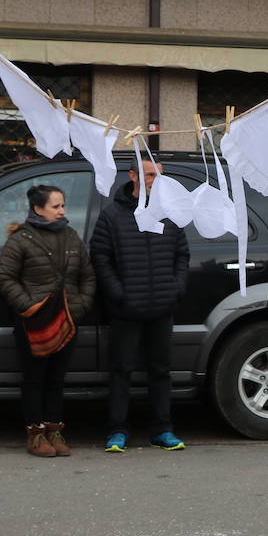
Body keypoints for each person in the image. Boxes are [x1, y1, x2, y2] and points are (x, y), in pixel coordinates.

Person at [91, 157, 189, 453]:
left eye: (159, 175)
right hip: (126, 309)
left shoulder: (169, 213)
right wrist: (117, 292)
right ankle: (117, 431)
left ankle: (163, 430)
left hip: (161, 307)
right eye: (149, 174)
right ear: (133, 176)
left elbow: (182, 255)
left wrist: (176, 288)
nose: (155, 180)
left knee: (160, 371)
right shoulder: (112, 215)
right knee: (121, 371)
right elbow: (100, 257)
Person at [0, 184, 96, 457]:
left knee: (56, 379)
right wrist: (30, 307)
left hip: (66, 320)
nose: (62, 210)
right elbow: (5, 278)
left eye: (63, 205)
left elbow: (87, 276)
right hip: (34, 321)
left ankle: (54, 430)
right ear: (38, 209)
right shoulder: (21, 239)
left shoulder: (71, 236)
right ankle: (35, 434)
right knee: (34, 379)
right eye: (56, 206)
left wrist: (79, 306)